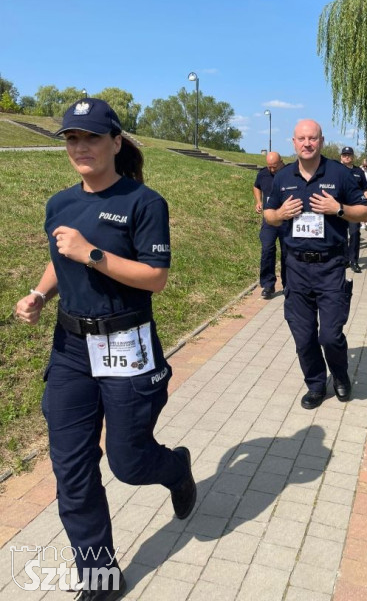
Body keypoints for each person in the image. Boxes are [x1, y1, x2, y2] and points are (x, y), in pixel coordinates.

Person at [14, 98, 196, 601]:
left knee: (127, 462)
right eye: (72, 138)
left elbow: (154, 279)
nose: (80, 147)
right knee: (71, 471)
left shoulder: (144, 202)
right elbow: (60, 260)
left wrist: (92, 253)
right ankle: (101, 576)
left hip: (127, 345)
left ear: (116, 143)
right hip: (71, 350)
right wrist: (39, 294)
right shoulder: (60, 204)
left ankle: (175, 467)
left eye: (91, 137)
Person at [264, 120, 367, 409]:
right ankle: (315, 384)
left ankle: (340, 376)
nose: (307, 143)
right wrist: (281, 214)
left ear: (321, 141)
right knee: (303, 335)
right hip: (296, 269)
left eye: (313, 138)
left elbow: (365, 213)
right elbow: (269, 216)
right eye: (301, 138)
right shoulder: (283, 177)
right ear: (294, 142)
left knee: (330, 335)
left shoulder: (339, 173)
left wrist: (338, 209)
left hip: (330, 266)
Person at [253, 151, 287, 299]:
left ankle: (289, 284)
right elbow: (256, 186)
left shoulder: (290, 172)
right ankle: (268, 284)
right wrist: (258, 201)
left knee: (288, 252)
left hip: (287, 219)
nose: (272, 170)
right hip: (269, 219)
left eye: (274, 167)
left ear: (281, 162)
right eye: (269, 167)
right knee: (267, 249)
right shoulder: (263, 174)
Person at [339, 146, 367, 273]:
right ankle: (344, 259)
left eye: (349, 155)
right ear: (341, 157)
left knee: (355, 234)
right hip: (339, 208)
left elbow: (365, 189)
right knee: (341, 235)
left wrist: (365, 205)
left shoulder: (359, 172)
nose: (347, 156)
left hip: (354, 208)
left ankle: (354, 261)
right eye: (344, 154)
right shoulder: (336, 170)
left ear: (353, 157)